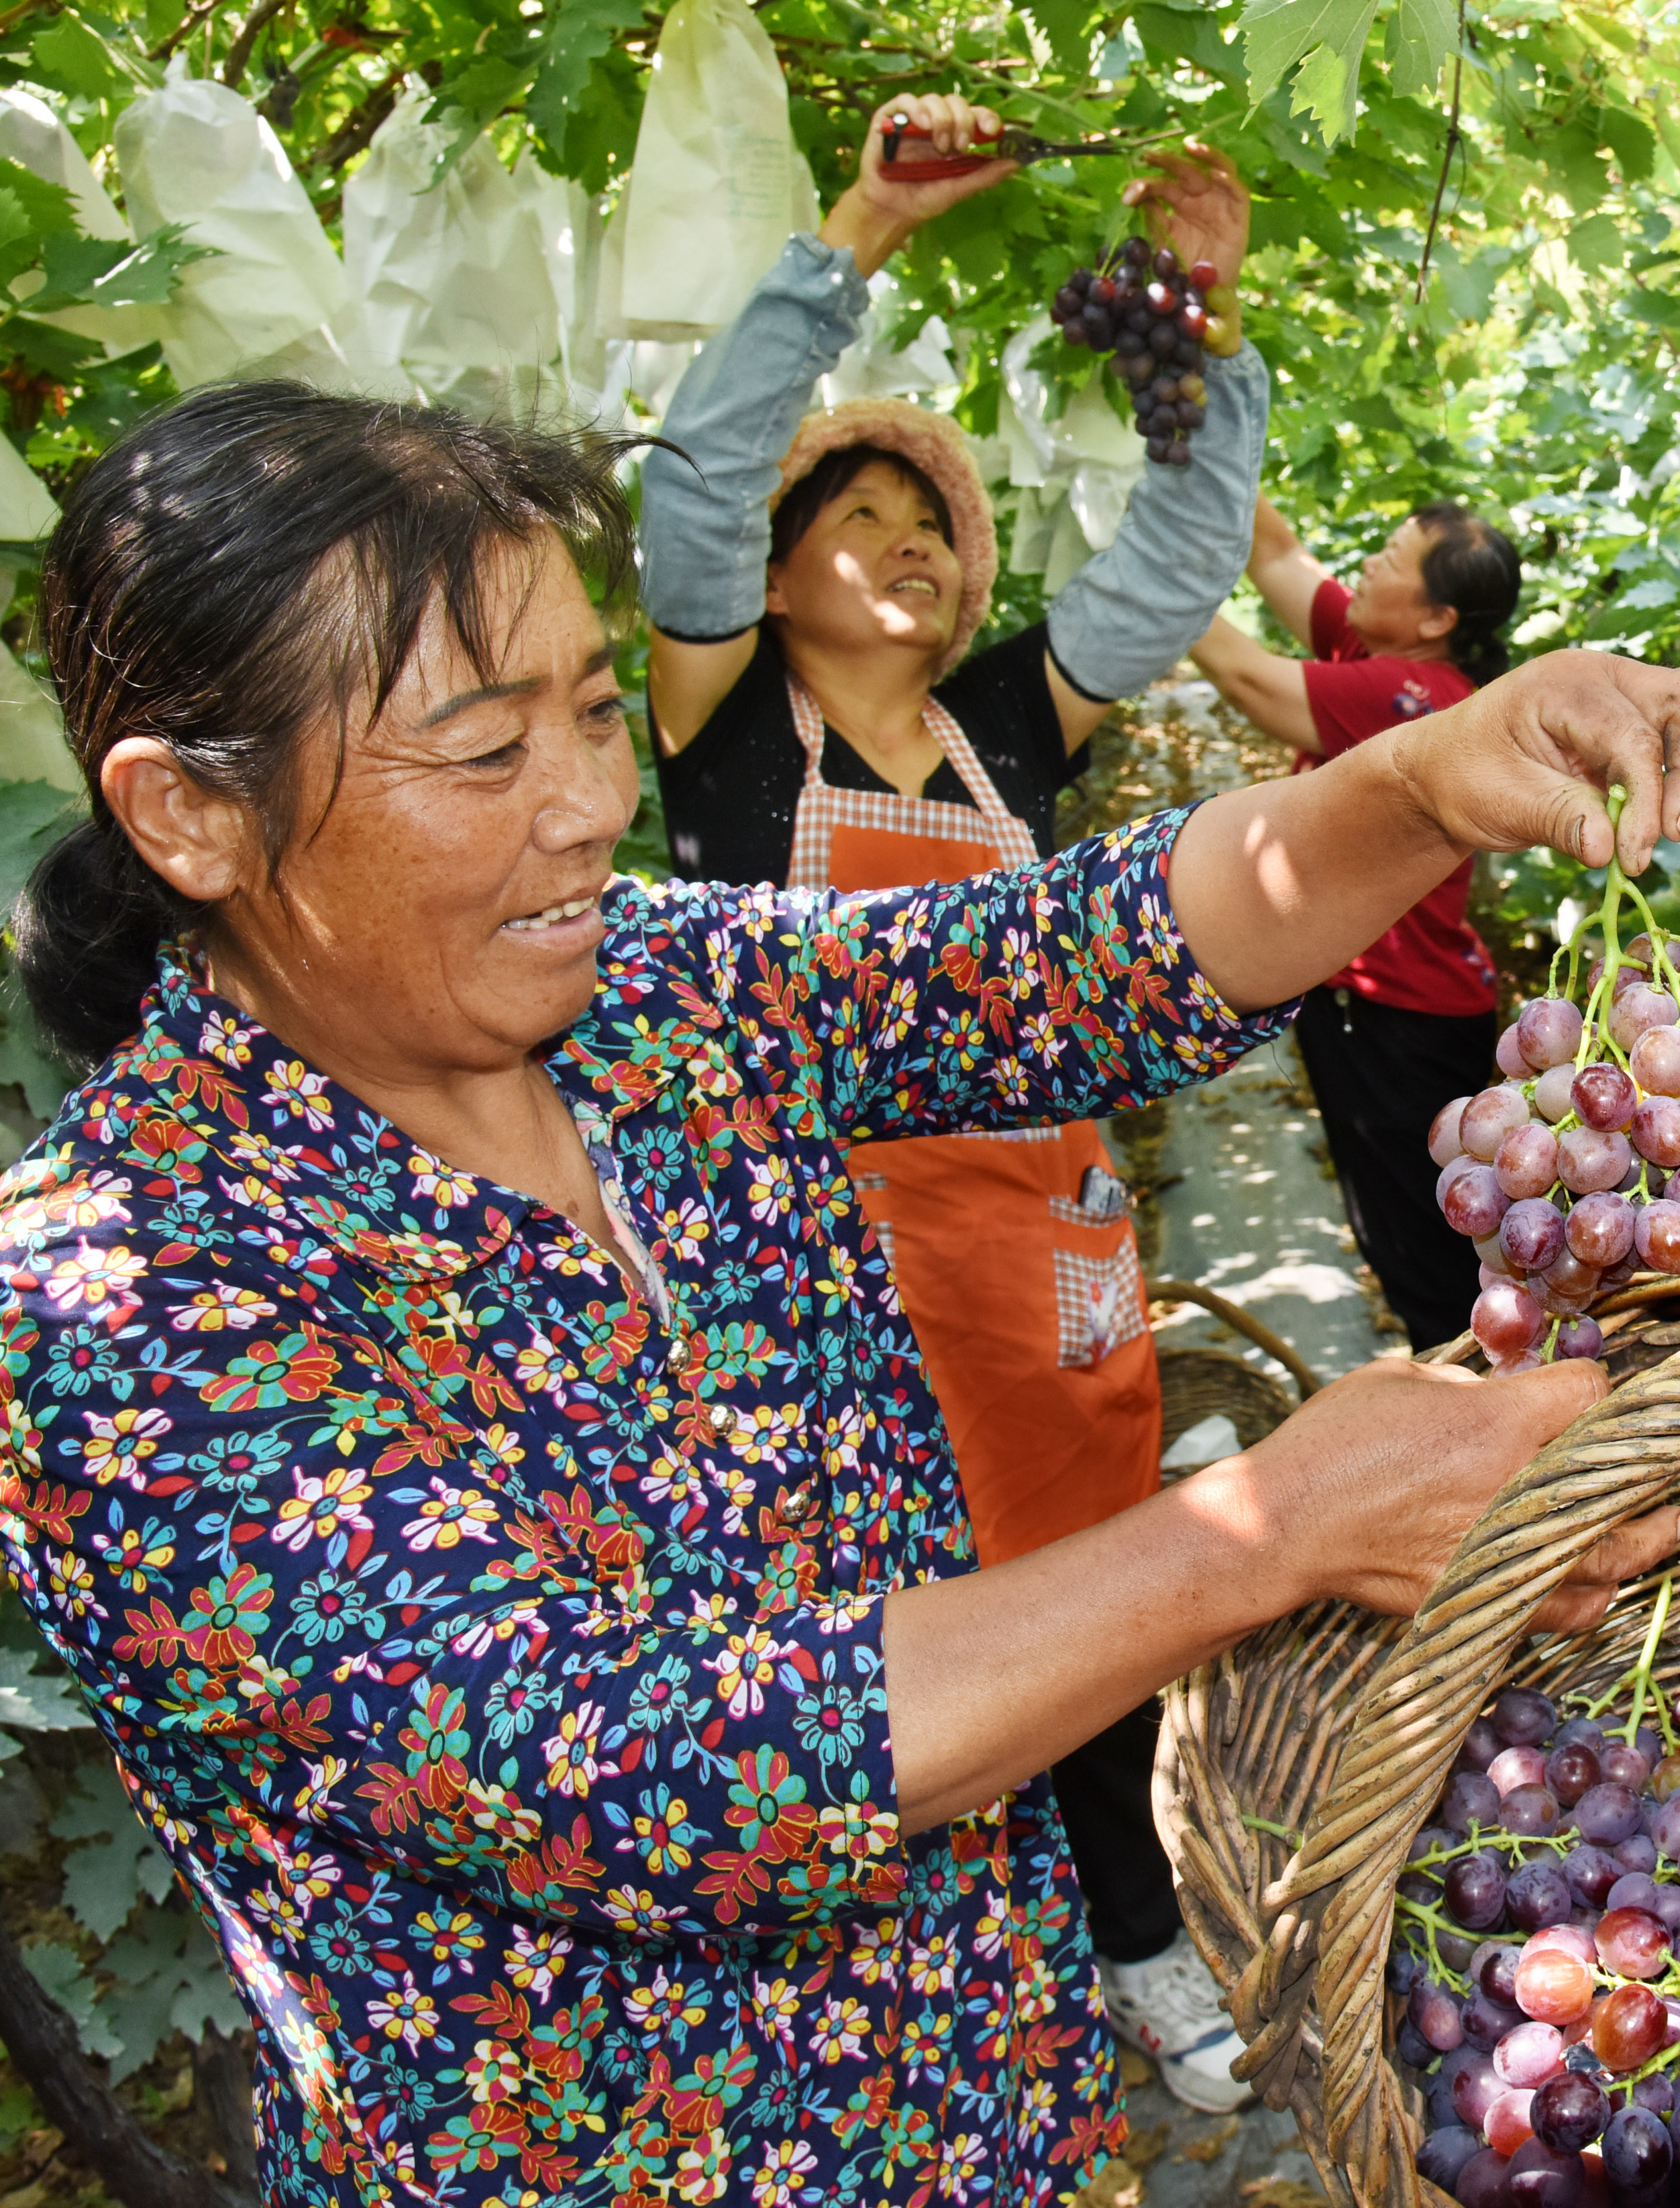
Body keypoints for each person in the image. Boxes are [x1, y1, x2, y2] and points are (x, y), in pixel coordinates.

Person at [0, 378, 1680, 2203]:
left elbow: (1065, 953)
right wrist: (1271, 1524)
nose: (590, 806)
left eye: (596, 714)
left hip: (996, 2086)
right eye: (487, 753)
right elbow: (614, 1761)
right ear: (189, 818)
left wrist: (1414, 778)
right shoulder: (118, 1282)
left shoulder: (656, 1001)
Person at [635, 94, 1269, 2106]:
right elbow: (701, 478)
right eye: (856, 521)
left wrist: (1206, 325)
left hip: (1048, 1266)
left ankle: (1140, 1941)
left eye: (935, 528)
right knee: (871, 1629)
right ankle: (930, 1999)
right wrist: (859, 234)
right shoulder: (724, 719)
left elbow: (1180, 546)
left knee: (1085, 1602)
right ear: (776, 570)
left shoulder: (1014, 722)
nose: (904, 547)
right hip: (825, 1274)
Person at [1190, 496, 1524, 1347]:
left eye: (1391, 557)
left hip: (1398, 1024)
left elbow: (1245, 676)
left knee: (1424, 1258)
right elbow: (1276, 553)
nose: (1370, 564)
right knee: (1424, 1236)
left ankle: (1474, 1431)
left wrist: (1149, 570)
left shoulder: (1413, 695)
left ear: (1437, 618)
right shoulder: (1380, 646)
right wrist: (1207, 427)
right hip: (1395, 1010)